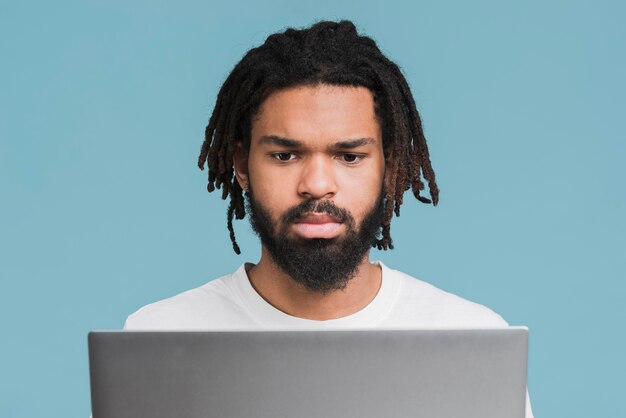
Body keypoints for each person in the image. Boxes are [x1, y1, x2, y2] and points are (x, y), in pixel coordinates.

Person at [124, 20, 533, 417]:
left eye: (349, 157)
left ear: (389, 169)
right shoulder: (158, 337)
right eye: (285, 155)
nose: (317, 185)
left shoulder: (471, 340)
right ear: (242, 166)